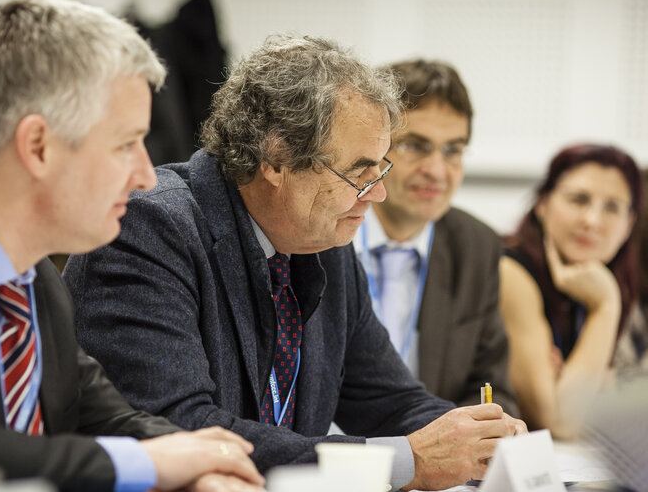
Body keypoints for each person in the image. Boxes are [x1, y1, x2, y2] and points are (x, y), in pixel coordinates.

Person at [64, 35, 526, 491]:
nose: (377, 193)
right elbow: (180, 429)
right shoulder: (149, 227)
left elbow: (388, 398)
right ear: (278, 157)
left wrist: (481, 441)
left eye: (380, 169)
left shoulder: (322, 241)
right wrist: (403, 462)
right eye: (358, 172)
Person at [0, 0, 265, 492]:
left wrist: (207, 463)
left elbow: (110, 421)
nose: (148, 177)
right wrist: (151, 466)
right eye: (126, 144)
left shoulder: (35, 278)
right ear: (38, 146)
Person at [353, 59, 517, 415]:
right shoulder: (325, 230)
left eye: (453, 151)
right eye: (415, 146)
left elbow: (494, 389)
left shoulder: (476, 246)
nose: (437, 171)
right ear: (375, 147)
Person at [500, 144, 643, 439]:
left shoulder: (613, 279)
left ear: (629, 225)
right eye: (578, 200)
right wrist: (605, 307)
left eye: (612, 207)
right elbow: (561, 421)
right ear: (542, 204)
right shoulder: (512, 270)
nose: (592, 220)